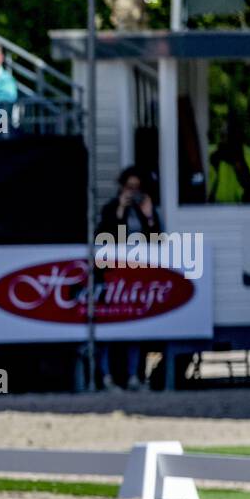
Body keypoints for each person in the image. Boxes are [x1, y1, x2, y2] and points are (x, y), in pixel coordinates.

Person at [95, 166, 162, 390]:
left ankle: (135, 376)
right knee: (109, 327)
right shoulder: (111, 209)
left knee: (135, 326)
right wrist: (121, 212)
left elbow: (157, 240)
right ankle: (106, 377)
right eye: (128, 187)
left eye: (136, 188)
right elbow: (105, 236)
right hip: (113, 275)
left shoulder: (144, 210)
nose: (132, 192)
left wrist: (150, 215)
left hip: (137, 276)